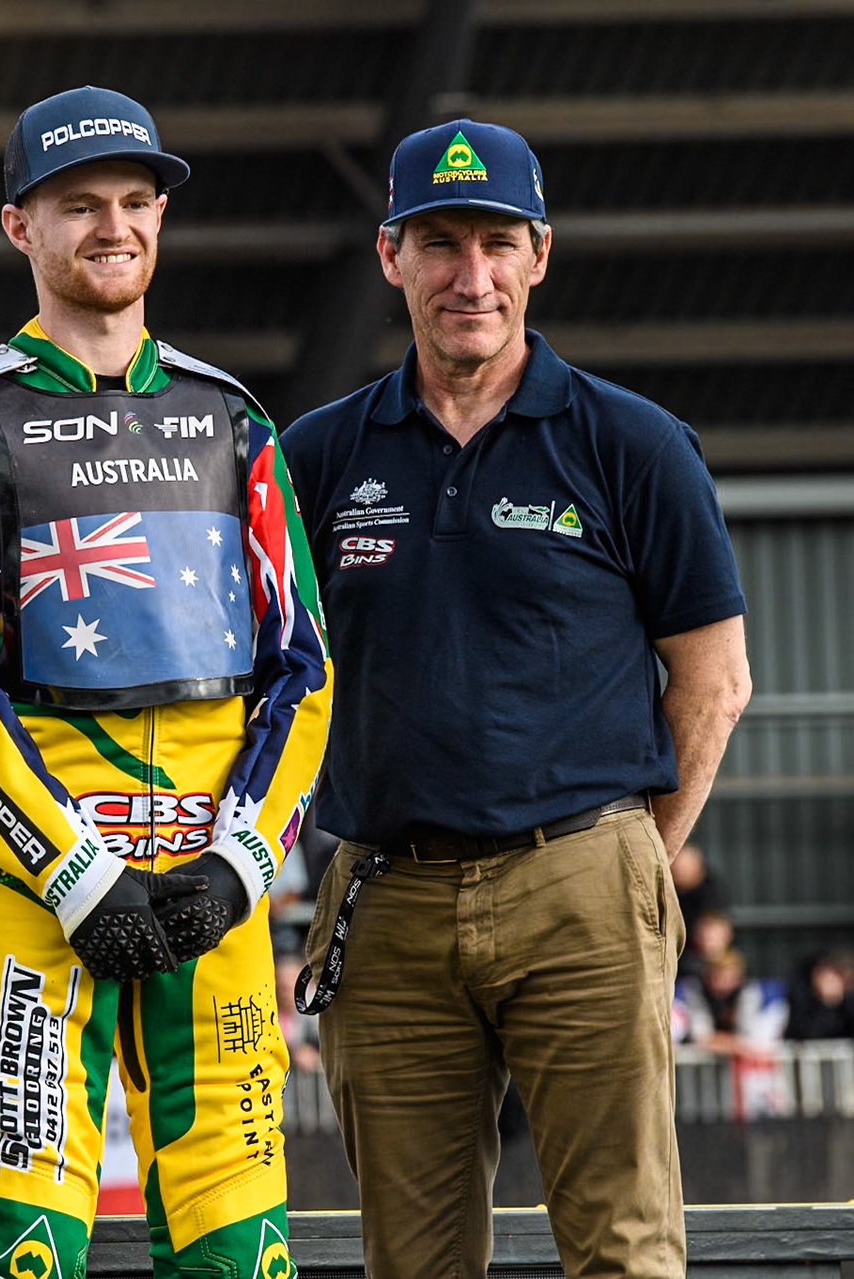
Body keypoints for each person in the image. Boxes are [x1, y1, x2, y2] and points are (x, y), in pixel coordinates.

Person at [281, 118, 753, 1279]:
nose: (471, 276)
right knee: (416, 1259)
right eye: (439, 243)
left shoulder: (632, 444)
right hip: (385, 903)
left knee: (625, 1247)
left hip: (583, 878)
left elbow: (715, 680)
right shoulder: (317, 457)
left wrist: (632, 865)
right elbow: (260, 681)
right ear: (390, 255)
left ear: (542, 252)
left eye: (498, 241)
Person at [0, 86, 331, 1279]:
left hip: (215, 901)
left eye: (138, 200)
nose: (115, 225)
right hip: (41, 903)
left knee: (245, 1250)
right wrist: (73, 868)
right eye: (79, 203)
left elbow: (306, 665)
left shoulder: (233, 416)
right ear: (16, 227)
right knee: (20, 1252)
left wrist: (244, 864)